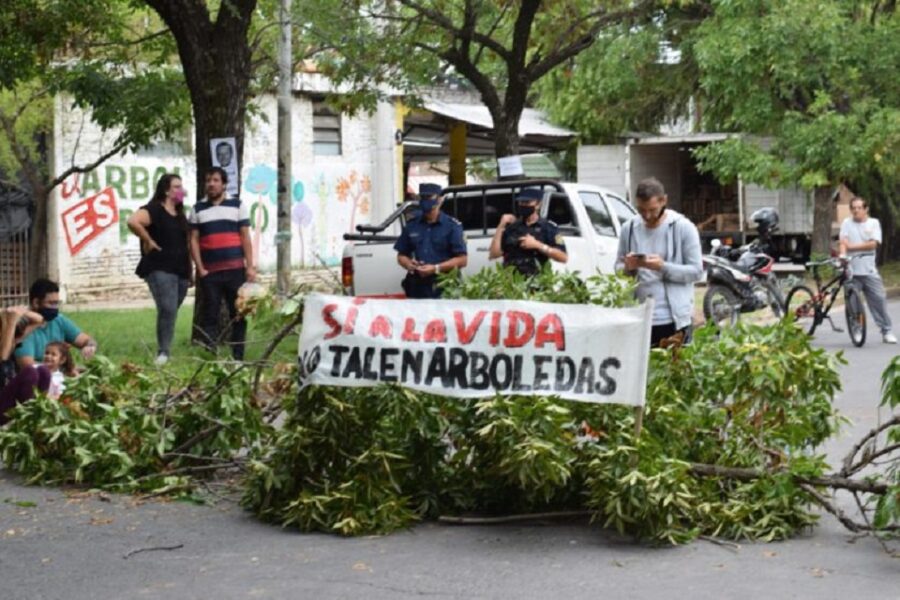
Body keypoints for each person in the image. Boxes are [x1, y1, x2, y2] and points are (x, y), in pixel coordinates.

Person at [615, 177, 703, 347]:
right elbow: (618, 268)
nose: (647, 216)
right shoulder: (629, 228)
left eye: (652, 210)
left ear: (664, 201)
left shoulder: (683, 227)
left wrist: (663, 267)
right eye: (641, 210)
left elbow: (696, 272)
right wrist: (628, 267)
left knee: (674, 362)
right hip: (638, 315)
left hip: (672, 318)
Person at [190, 166, 256, 359]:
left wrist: (250, 266)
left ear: (224, 184)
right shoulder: (197, 209)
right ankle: (211, 357)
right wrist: (200, 268)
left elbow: (245, 237)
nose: (211, 184)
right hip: (210, 273)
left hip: (235, 270)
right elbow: (193, 240)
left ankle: (238, 357)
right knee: (210, 315)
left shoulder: (237, 205)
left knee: (238, 314)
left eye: (216, 180)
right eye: (208, 180)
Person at [127, 173, 193, 365]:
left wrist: (191, 271)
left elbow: (187, 244)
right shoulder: (154, 209)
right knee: (168, 308)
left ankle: (165, 348)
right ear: (166, 190)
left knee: (171, 310)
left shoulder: (180, 215)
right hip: (159, 266)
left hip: (180, 269)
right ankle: (163, 352)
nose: (181, 191)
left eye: (181, 187)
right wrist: (148, 240)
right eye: (176, 187)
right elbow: (133, 221)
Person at [394, 183, 468, 298]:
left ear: (439, 200)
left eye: (429, 197)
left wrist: (436, 268)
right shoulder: (412, 225)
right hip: (418, 287)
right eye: (422, 197)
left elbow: (462, 260)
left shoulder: (452, 226)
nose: (425, 201)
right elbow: (401, 255)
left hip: (444, 286)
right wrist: (409, 264)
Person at [839, 196, 897, 344]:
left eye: (859, 208)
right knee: (853, 304)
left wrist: (852, 247)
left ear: (866, 209)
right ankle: (856, 328)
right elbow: (843, 242)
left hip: (869, 271)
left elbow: (873, 244)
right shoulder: (846, 223)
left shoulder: (873, 223)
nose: (856, 210)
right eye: (853, 208)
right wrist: (843, 255)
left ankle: (886, 331)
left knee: (879, 300)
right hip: (851, 271)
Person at [14, 279, 97, 368]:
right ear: (36, 303)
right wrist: (61, 368)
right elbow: (27, 365)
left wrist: (90, 346)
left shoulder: (58, 320)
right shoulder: (23, 327)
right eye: (51, 303)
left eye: (57, 303)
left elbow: (87, 340)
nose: (55, 308)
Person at [489, 188, 568, 275]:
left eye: (527, 202)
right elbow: (494, 254)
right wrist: (501, 226)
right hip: (512, 279)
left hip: (536, 279)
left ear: (538, 204)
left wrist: (537, 245)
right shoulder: (512, 227)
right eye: (521, 202)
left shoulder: (548, 227)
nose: (523, 205)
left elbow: (563, 257)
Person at [0, 305, 48, 424]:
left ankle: (37, 415)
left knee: (43, 371)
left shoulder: (10, 342)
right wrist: (10, 323)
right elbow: (3, 360)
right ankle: (26, 420)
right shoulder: (5, 347)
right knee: (29, 373)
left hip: (7, 401)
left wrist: (13, 311)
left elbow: (39, 320)